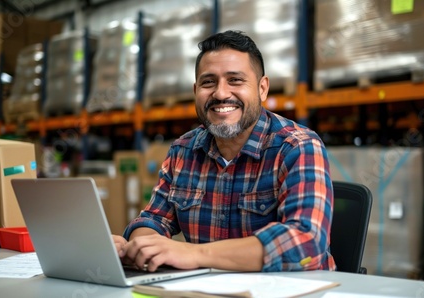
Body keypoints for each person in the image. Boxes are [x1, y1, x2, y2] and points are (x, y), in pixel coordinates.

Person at [113, 30, 335, 272]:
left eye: (235, 80)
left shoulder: (297, 146)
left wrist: (194, 254)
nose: (220, 93)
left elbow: (305, 243)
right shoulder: (183, 150)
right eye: (209, 82)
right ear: (195, 90)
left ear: (262, 88)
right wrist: (141, 245)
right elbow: (154, 218)